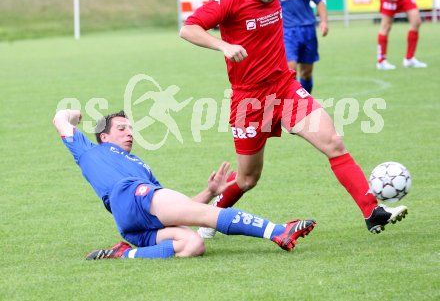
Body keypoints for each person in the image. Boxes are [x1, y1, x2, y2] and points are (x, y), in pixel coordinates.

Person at [179, 0, 408, 239]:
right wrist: (223, 46)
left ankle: (372, 212)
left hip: (285, 88)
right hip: (249, 100)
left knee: (334, 142)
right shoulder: (229, 0)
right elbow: (188, 29)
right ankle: (209, 219)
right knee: (248, 178)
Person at [53, 109, 317, 259]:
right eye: (122, 128)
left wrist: (211, 191)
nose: (130, 133)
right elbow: (60, 119)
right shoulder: (88, 150)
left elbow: (178, 209)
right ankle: (278, 231)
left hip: (132, 224)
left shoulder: (141, 166)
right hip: (130, 196)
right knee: (206, 216)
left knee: (193, 245)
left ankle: (123, 255)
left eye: (131, 128)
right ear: (103, 136)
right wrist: (78, 114)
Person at [279, 0, 328, 95]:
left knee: (306, 73)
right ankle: (293, 109)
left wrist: (324, 21)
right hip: (287, 32)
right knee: (291, 71)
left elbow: (319, 1)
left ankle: (305, 104)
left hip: (307, 31)